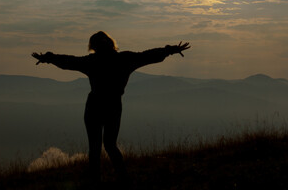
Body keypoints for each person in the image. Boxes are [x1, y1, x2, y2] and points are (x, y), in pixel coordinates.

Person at [32, 31, 190, 183]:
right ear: (110, 43)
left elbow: (69, 62)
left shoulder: (93, 61)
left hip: (95, 105)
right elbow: (147, 56)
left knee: (96, 147)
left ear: (93, 46)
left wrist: (49, 58)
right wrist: (169, 50)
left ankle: (98, 181)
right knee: (109, 145)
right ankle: (122, 178)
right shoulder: (124, 59)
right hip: (113, 105)